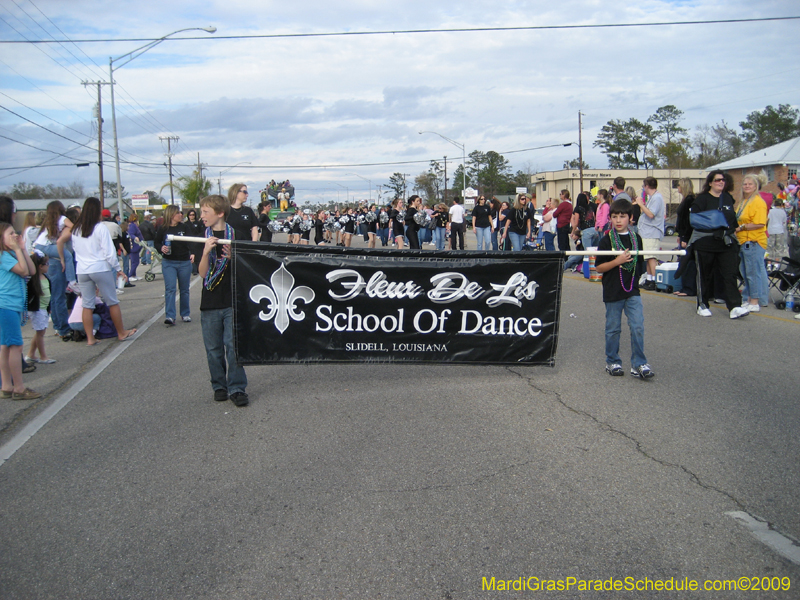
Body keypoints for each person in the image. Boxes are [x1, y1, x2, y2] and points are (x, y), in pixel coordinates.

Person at [60, 198, 137, 344]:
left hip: (82, 270)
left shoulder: (76, 229)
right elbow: (109, 251)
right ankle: (121, 332)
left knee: (87, 304)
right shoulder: (99, 228)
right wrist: (118, 269)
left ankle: (90, 338)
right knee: (112, 301)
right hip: (100, 267)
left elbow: (75, 249)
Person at [198, 194, 249, 407]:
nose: (201, 216)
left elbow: (247, 270)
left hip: (232, 300)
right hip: (210, 300)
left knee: (233, 346)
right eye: (201, 212)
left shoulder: (237, 234)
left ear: (220, 213)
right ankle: (219, 385)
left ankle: (237, 388)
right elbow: (201, 274)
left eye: (205, 212)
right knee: (213, 348)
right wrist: (206, 252)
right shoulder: (201, 236)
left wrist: (232, 259)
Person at [594, 198, 654, 379]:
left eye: (622, 216)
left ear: (631, 218)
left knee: (637, 326)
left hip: (632, 291)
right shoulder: (606, 240)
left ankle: (639, 363)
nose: (618, 220)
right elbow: (599, 267)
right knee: (613, 328)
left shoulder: (637, 239)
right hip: (613, 291)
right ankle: (612, 361)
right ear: (610, 218)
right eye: (614, 216)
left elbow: (640, 265)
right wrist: (617, 261)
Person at [690, 171, 749, 319]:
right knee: (704, 275)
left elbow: (732, 221)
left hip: (725, 243)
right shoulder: (702, 199)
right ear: (710, 183)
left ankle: (735, 306)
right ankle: (702, 304)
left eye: (723, 180)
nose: (721, 182)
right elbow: (694, 220)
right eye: (717, 180)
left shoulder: (727, 198)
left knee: (730, 274)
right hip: (705, 243)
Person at [0, 223, 41, 400]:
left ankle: (7, 386)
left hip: (12, 305)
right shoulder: (3, 256)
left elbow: (32, 270)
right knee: (16, 346)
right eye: (10, 234)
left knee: (5, 346)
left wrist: (23, 249)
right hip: (6, 305)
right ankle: (18, 387)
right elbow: (23, 271)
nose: (15, 236)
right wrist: (17, 249)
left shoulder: (11, 254)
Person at [33, 201, 76, 341]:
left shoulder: (49, 221)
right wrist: (62, 258)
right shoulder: (62, 219)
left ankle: (58, 326)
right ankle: (72, 281)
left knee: (56, 297)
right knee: (59, 297)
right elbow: (74, 227)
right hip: (46, 250)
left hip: (40, 248)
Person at [735, 172, 770, 312]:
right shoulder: (744, 201)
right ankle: (748, 298)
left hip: (754, 241)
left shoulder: (758, 202)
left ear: (756, 186)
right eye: (745, 184)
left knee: (753, 272)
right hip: (743, 241)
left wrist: (741, 227)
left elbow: (760, 223)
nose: (747, 186)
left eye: (750, 184)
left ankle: (755, 300)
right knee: (745, 272)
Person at [154, 205, 193, 326]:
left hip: (184, 262)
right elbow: (156, 242)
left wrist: (193, 253)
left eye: (181, 213)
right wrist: (161, 248)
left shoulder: (185, 227)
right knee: (170, 289)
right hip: (169, 262)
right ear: (171, 215)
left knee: (184, 289)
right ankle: (170, 316)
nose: (180, 215)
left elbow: (191, 240)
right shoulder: (163, 228)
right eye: (178, 213)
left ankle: (185, 313)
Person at [635, 177, 665, 290]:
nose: (643, 189)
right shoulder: (652, 198)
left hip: (652, 233)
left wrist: (640, 204)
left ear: (647, 186)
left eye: (643, 186)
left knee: (652, 257)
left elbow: (651, 214)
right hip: (646, 233)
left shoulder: (657, 198)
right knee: (647, 257)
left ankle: (655, 281)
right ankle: (649, 279)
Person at [25, 252, 56, 364]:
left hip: (44, 309)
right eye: (47, 263)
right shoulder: (32, 280)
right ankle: (43, 356)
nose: (49, 265)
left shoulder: (45, 277)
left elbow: (48, 294)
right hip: (37, 309)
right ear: (40, 266)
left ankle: (31, 354)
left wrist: (49, 308)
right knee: (40, 333)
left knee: (40, 331)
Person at [673, 178, 697, 297]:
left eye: (679, 185)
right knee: (683, 262)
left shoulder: (690, 200)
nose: (678, 188)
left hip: (688, 236)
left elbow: (688, 222)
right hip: (682, 235)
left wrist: (685, 238)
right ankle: (683, 287)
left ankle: (689, 288)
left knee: (688, 262)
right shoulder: (684, 200)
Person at [127, 213, 143, 281]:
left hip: (137, 246)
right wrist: (136, 237)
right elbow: (131, 234)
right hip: (134, 246)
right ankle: (130, 275)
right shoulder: (132, 226)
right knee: (135, 262)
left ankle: (134, 274)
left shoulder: (134, 225)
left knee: (135, 261)